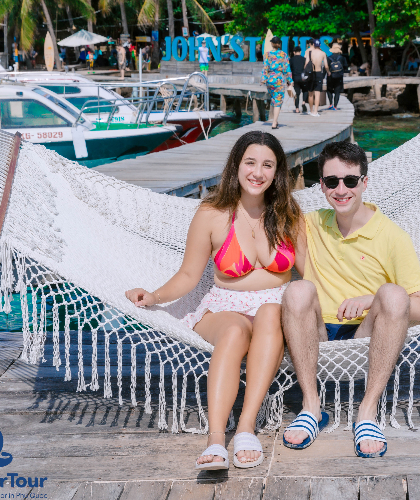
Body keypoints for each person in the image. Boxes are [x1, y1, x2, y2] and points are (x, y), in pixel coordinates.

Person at [125, 131, 305, 470]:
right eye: (250, 162)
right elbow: (188, 275)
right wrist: (154, 296)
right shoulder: (212, 213)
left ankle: (247, 427)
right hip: (225, 306)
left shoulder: (289, 214)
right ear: (236, 165)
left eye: (267, 165)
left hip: (274, 308)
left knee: (270, 313)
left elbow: (312, 275)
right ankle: (216, 438)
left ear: (277, 171)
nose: (258, 172)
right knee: (235, 332)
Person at [280, 141, 420, 458]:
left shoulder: (392, 237)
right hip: (317, 331)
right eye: (332, 181)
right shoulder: (310, 223)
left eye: (350, 180)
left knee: (393, 294)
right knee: (297, 290)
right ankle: (311, 407)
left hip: (366, 334)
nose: (341, 190)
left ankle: (367, 412)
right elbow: (262, 214)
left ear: (364, 182)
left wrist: (368, 300)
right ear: (321, 186)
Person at [261, 36, 293, 129]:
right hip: (279, 79)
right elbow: (287, 69)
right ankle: (274, 123)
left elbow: (265, 68)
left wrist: (263, 79)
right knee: (278, 101)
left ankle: (275, 120)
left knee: (274, 100)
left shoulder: (267, 54)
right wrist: (290, 81)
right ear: (279, 44)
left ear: (272, 44)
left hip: (270, 80)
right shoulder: (283, 54)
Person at [304, 39, 329, 117]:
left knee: (310, 93)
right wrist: (328, 72)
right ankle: (315, 112)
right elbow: (326, 66)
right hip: (318, 73)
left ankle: (311, 110)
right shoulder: (323, 53)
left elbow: (306, 64)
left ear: (313, 45)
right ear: (320, 45)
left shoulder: (309, 53)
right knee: (317, 94)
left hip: (310, 74)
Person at [325, 43, 346, 111]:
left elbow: (326, 67)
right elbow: (345, 66)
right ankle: (335, 106)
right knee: (337, 91)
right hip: (339, 76)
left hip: (330, 76)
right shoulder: (342, 58)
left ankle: (331, 104)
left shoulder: (328, 58)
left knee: (329, 90)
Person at [289, 46, 308, 113]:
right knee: (305, 90)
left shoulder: (291, 60)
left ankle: (297, 109)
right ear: (300, 52)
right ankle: (303, 102)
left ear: (294, 52)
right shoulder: (304, 59)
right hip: (303, 78)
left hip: (295, 78)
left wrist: (289, 80)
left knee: (296, 94)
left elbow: (289, 70)